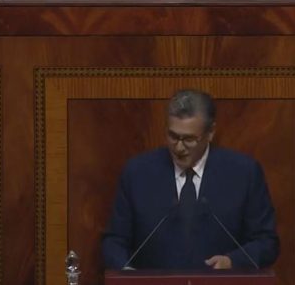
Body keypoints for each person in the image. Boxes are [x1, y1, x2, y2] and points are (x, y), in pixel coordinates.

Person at [101, 89, 280, 270]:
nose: (179, 147)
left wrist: (233, 261)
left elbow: (266, 242)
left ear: (210, 132)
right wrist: (127, 273)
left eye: (189, 139)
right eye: (173, 136)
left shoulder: (244, 173)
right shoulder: (137, 173)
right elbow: (114, 241)